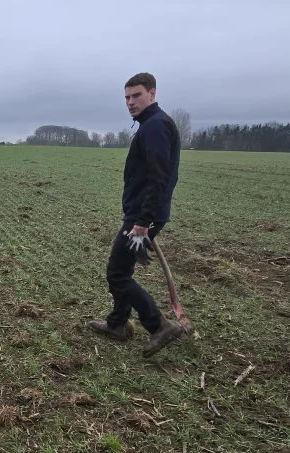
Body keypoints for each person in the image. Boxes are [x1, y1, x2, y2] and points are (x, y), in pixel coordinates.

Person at [87, 72, 184, 357]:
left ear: (152, 93)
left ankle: (158, 325)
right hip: (142, 214)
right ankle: (117, 323)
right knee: (123, 269)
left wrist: (143, 222)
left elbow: (159, 176)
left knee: (117, 273)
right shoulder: (151, 124)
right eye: (127, 97)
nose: (130, 102)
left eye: (136, 95)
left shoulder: (155, 126)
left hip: (143, 218)